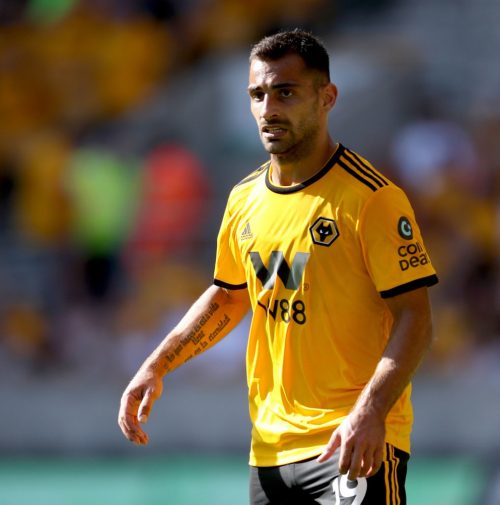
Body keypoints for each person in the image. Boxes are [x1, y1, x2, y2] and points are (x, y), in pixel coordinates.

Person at [118, 29, 439, 504]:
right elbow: (229, 295)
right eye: (258, 94)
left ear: (327, 98)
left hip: (351, 442)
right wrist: (158, 364)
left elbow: (416, 316)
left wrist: (371, 411)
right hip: (270, 454)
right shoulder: (244, 199)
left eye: (285, 92)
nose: (268, 108)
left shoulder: (371, 199)